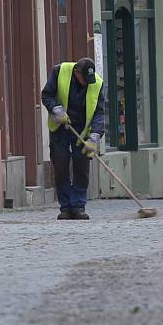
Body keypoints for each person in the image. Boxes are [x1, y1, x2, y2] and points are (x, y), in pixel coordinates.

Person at [41, 58, 105, 220]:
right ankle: (65, 207)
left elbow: (99, 113)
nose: (86, 83)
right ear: (76, 72)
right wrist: (56, 110)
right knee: (60, 165)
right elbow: (46, 95)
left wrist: (95, 137)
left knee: (81, 167)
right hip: (61, 127)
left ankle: (78, 206)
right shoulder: (59, 71)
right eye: (84, 79)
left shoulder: (96, 83)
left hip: (82, 130)